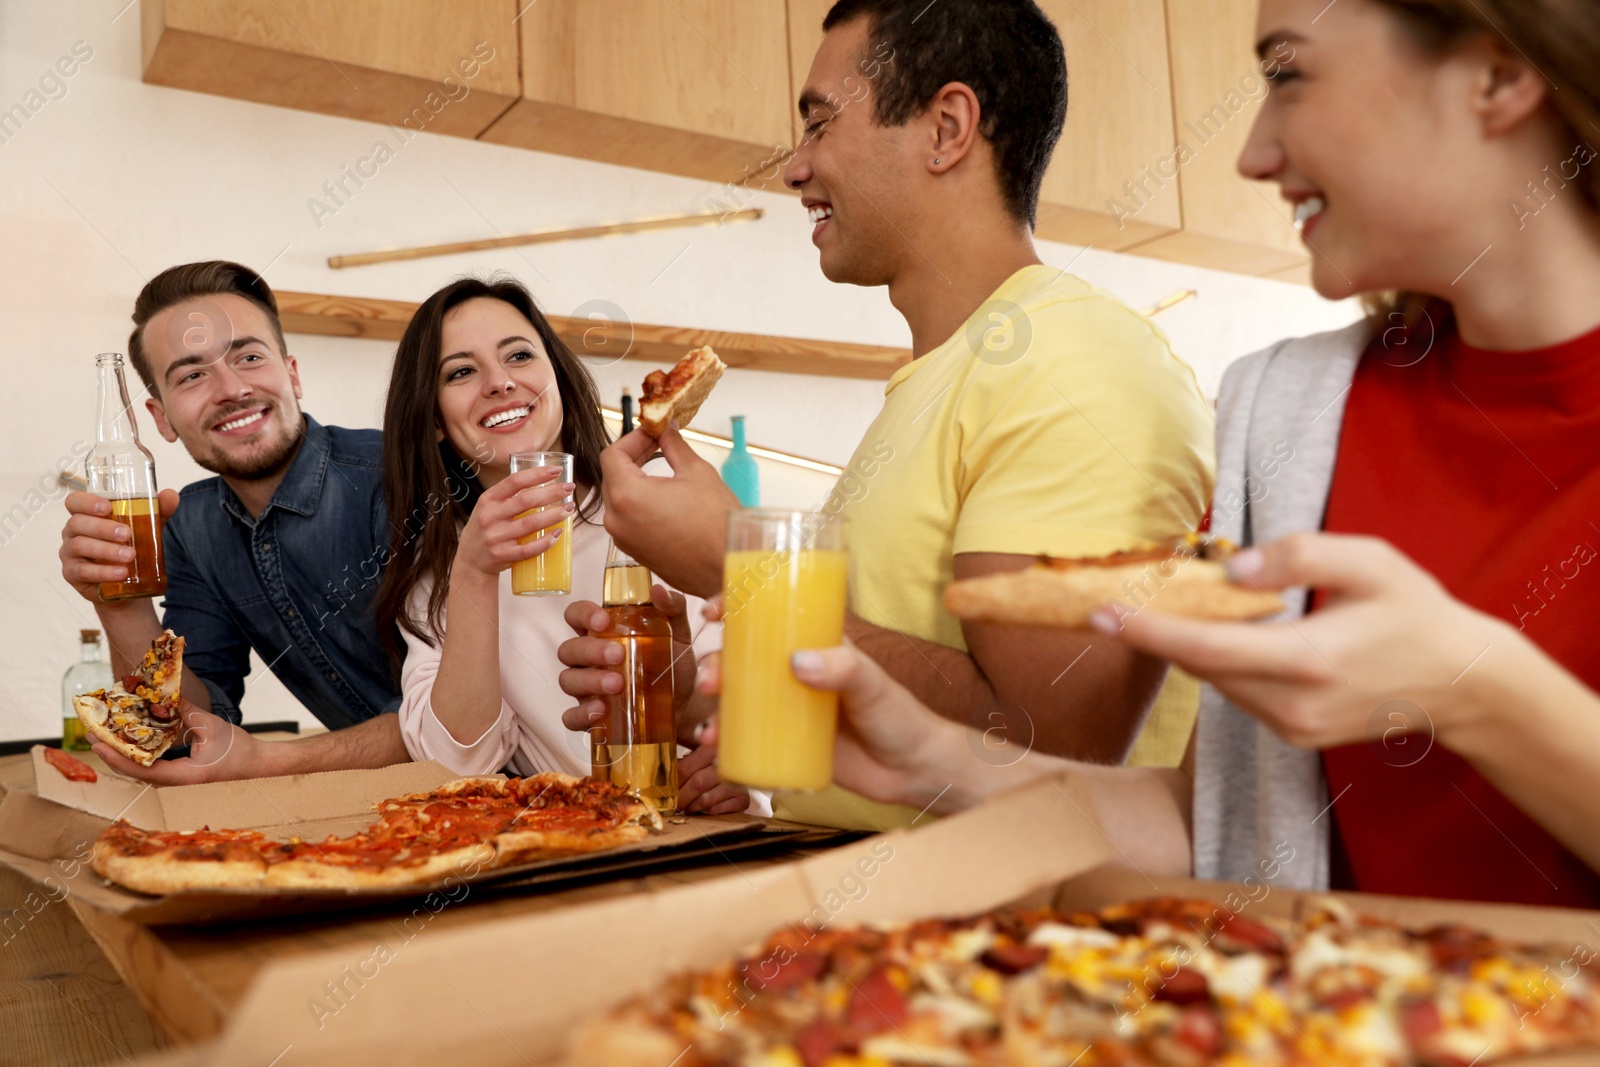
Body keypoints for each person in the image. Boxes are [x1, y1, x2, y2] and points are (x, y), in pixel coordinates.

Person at [697, 0, 1600, 908]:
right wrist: (933, 759)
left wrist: (1478, 691)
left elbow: (1063, 722)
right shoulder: (1285, 409)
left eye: (1288, 75)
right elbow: (1211, 828)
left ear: (1499, 76)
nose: (1251, 154)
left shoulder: (1083, 361)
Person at [566, 0, 1217, 830]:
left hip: (993, 944)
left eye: (820, 125)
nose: (794, 168)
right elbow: (881, 686)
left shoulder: (1074, 366)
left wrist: (748, 574)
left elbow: (1050, 749)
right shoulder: (945, 377)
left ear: (946, 129)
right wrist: (690, 699)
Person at [373, 277, 745, 814]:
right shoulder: (436, 578)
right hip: (597, 856)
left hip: (735, 840)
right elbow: (458, 768)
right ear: (433, 420)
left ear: (558, 380)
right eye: (461, 371)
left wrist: (739, 755)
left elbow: (779, 693)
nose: (499, 382)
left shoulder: (661, 514)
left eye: (518, 355)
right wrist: (475, 572)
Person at [58, 261, 409, 783]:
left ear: (292, 374)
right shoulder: (189, 526)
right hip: (399, 811)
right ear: (162, 419)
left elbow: (463, 718)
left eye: (248, 356)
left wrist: (268, 761)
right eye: (193, 375)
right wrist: (121, 604)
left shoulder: (403, 477)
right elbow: (182, 735)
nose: (231, 388)